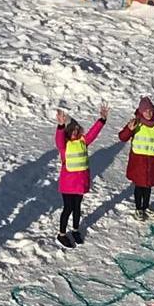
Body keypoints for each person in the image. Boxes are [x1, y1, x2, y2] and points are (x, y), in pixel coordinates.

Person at [54, 104, 108, 248]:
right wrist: (60, 125)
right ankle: (62, 234)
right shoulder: (64, 146)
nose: (75, 132)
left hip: (80, 183)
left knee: (77, 207)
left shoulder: (83, 142)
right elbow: (58, 139)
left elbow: (93, 133)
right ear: (67, 132)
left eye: (77, 130)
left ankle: (76, 230)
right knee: (68, 208)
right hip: (67, 184)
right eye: (72, 130)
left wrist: (101, 120)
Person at [118, 96, 154, 220]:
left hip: (152, 163)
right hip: (138, 163)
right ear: (141, 112)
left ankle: (146, 207)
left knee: (148, 186)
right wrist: (129, 129)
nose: (148, 114)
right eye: (145, 111)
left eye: (150, 111)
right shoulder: (136, 123)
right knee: (139, 186)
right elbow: (122, 137)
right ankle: (139, 208)